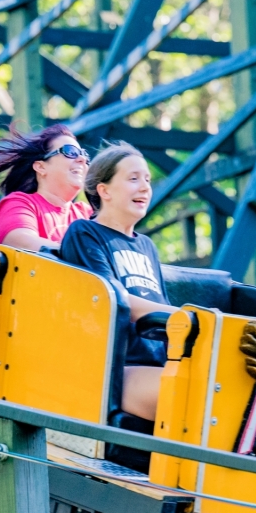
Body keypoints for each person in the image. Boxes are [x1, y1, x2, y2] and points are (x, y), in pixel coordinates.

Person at [60, 142, 177, 422]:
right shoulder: (85, 233)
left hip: (158, 362)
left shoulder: (146, 245)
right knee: (196, 396)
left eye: (147, 180)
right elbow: (111, 298)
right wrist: (188, 315)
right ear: (105, 190)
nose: (145, 187)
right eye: (133, 179)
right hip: (117, 366)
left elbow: (158, 304)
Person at [0, 125, 92, 250]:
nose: (82, 159)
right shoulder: (20, 204)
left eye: (84, 154)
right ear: (41, 167)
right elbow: (22, 242)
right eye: (70, 151)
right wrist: (82, 254)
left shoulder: (86, 213)